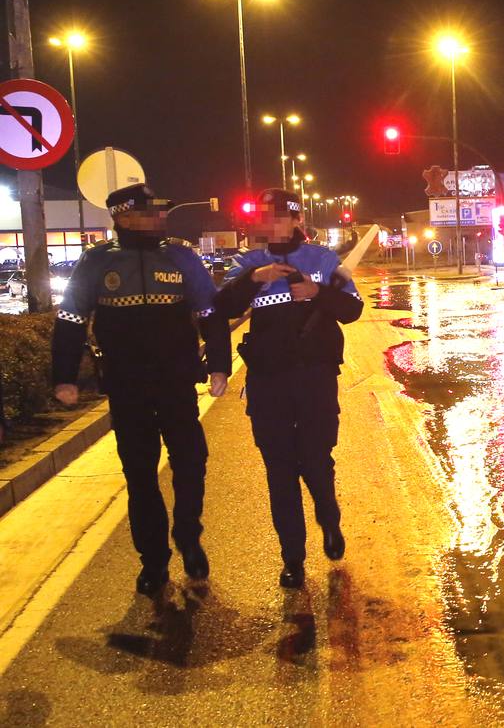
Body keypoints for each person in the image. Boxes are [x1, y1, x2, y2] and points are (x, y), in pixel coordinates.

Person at [51, 183, 231, 595]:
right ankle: (153, 561)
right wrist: (63, 376)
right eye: (152, 212)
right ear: (123, 215)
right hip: (127, 385)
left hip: (177, 382)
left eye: (162, 211)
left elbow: (211, 312)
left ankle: (188, 534)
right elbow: (70, 320)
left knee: (191, 461)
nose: (161, 217)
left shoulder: (181, 256)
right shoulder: (96, 263)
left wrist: (219, 366)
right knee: (139, 473)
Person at [215, 188, 362, 589]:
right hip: (267, 382)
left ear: (296, 219)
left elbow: (353, 309)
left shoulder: (323, 260)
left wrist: (319, 293)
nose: (269, 223)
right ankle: (292, 559)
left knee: (315, 460)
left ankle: (329, 520)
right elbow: (221, 307)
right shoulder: (247, 263)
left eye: (278, 216)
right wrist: (252, 280)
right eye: (264, 216)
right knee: (279, 471)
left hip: (315, 379)